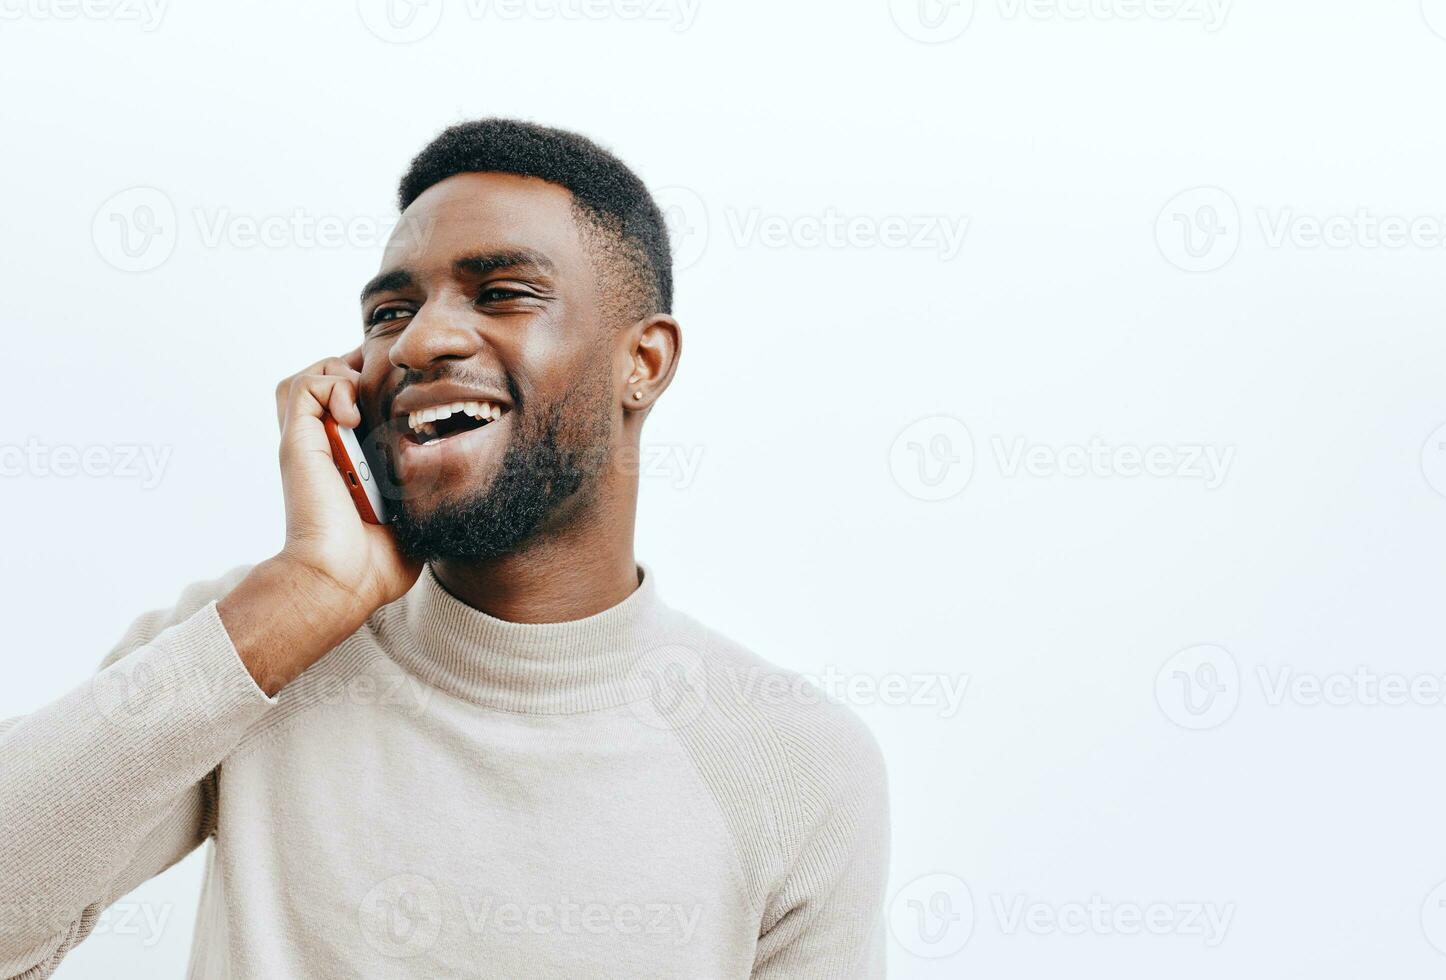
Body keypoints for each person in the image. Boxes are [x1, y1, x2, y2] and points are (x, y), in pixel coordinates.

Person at [0, 118, 889, 979]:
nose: (421, 341)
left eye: (502, 292)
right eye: (390, 311)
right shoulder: (254, 647)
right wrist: (302, 594)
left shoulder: (794, 763)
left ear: (644, 362)